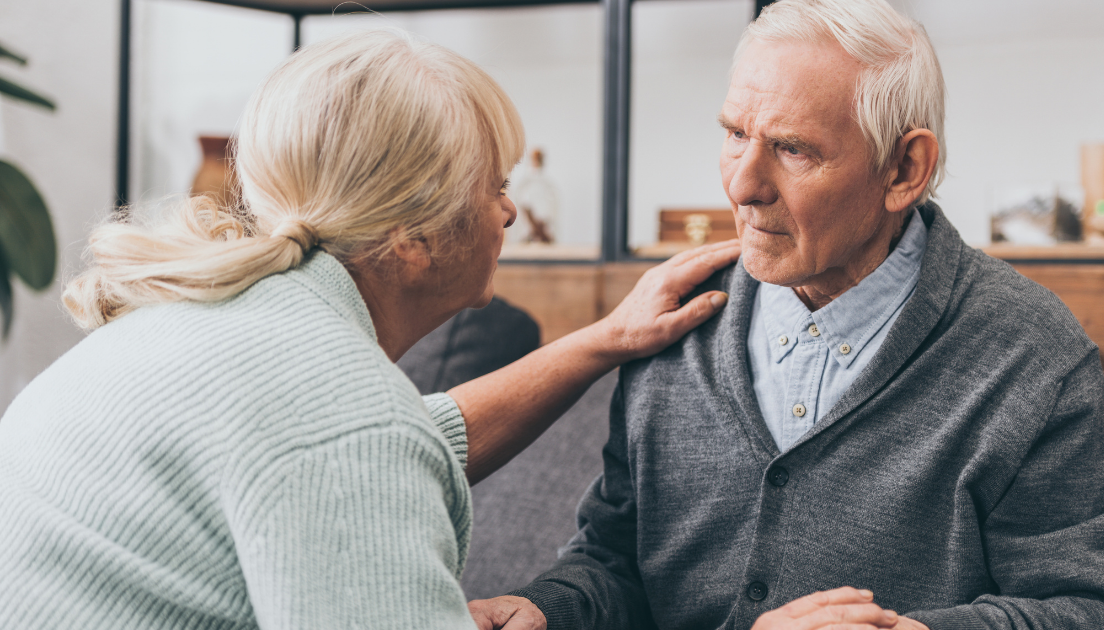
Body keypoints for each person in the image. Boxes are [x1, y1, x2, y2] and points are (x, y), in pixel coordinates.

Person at [0, 30, 741, 629]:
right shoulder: (342, 424)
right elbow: (357, 445)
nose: (510, 214)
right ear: (412, 240)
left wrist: (604, 338)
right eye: (496, 187)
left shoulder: (208, 327)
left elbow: (405, 438)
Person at [468, 1, 1104, 629]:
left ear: (905, 169)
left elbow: (1094, 611)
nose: (742, 185)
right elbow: (615, 560)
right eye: (736, 133)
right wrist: (545, 608)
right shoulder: (673, 322)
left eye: (793, 149)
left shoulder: (1033, 354)